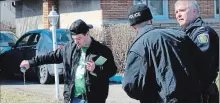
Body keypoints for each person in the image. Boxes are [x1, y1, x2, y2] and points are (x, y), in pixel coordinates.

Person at [19, 19, 117, 103]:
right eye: (74, 39)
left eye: (79, 38)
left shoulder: (102, 51)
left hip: (94, 99)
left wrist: (96, 69)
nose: (76, 42)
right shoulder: (69, 48)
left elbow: (112, 70)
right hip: (73, 99)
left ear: (87, 34)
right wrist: (30, 62)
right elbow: (51, 56)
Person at [122, 4, 204, 103]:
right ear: (151, 21)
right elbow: (199, 64)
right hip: (193, 98)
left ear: (133, 27)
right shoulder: (179, 35)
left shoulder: (138, 47)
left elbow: (131, 86)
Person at [174, 0, 219, 102]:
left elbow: (201, 66)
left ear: (194, 11)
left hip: (202, 94)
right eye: (176, 12)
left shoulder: (202, 33)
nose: (178, 15)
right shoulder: (185, 33)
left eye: (182, 10)